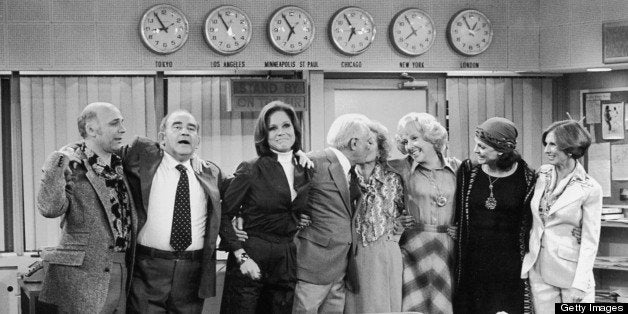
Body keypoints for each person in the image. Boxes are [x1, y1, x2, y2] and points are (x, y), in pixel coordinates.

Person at [121, 109, 226, 313]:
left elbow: (242, 191)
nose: (184, 132)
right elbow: (101, 147)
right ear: (162, 137)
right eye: (177, 127)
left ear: (198, 141)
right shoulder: (141, 159)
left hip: (193, 273)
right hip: (148, 268)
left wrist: (295, 154)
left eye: (191, 129)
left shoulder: (211, 172)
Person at [37, 102, 137, 313]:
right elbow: (49, 208)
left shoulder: (121, 165)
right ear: (91, 129)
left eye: (122, 123)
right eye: (114, 123)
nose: (123, 129)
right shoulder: (71, 164)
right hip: (81, 277)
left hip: (121, 269)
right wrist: (59, 159)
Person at [219, 101, 311, 313]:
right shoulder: (251, 168)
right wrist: (240, 255)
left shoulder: (305, 168)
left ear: (295, 129)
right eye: (273, 128)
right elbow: (223, 215)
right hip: (251, 255)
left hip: (286, 257)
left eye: (286, 126)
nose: (281, 132)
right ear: (264, 134)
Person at [292, 113, 375, 313]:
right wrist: (294, 218)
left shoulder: (351, 172)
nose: (371, 147)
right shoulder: (313, 162)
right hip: (312, 266)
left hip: (340, 268)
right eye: (368, 142)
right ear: (354, 143)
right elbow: (277, 196)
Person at [453, 117, 536, 314]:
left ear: (500, 149)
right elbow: (456, 209)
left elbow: (536, 218)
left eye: (482, 147)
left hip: (509, 264)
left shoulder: (528, 177)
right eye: (476, 145)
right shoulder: (467, 171)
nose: (475, 151)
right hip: (472, 262)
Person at [521, 120, 602, 312]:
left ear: (570, 148)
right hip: (539, 268)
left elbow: (590, 240)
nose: (547, 150)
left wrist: (580, 283)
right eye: (546, 144)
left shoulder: (590, 188)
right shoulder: (541, 174)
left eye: (553, 144)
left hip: (571, 273)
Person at [389, 112, 460, 314]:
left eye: (414, 138)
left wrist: (462, 228)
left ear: (432, 137)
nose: (409, 145)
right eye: (404, 140)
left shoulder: (458, 167)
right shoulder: (400, 167)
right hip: (413, 247)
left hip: (448, 248)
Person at [344, 121, 405, 313]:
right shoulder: (345, 176)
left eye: (370, 143)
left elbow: (406, 212)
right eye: (361, 142)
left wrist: (399, 231)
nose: (364, 147)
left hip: (384, 251)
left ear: (380, 151)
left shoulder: (394, 178)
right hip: (353, 252)